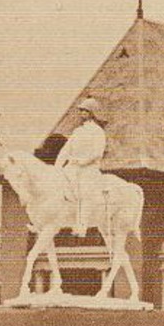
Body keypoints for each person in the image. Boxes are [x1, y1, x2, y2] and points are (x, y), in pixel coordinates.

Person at [55, 97, 108, 235]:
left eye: (86, 110)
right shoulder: (77, 132)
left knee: (84, 192)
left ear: (92, 113)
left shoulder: (98, 132)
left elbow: (98, 153)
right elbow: (65, 150)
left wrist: (83, 161)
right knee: (56, 186)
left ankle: (82, 225)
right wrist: (57, 167)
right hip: (72, 167)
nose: (82, 113)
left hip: (88, 168)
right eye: (81, 110)